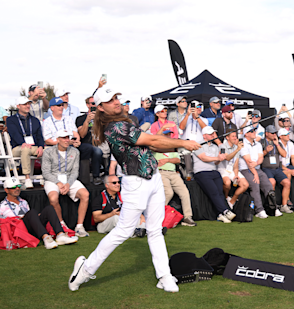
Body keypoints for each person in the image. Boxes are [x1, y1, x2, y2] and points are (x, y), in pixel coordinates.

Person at [69, 86, 201, 293]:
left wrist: (180, 146)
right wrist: (183, 142)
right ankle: (84, 270)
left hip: (154, 178)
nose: (116, 102)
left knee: (155, 230)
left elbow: (154, 147)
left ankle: (164, 276)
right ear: (101, 108)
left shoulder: (125, 123)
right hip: (136, 183)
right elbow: (153, 140)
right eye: (110, 100)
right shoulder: (115, 128)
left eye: (116, 98)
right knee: (123, 231)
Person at [1, 177, 78, 249]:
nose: (17, 189)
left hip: (31, 226)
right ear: (6, 190)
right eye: (14, 187)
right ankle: (46, 238)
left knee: (49, 208)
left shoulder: (23, 202)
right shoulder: (2, 206)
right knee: (32, 212)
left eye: (18, 186)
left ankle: (60, 235)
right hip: (20, 230)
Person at [42, 130, 90, 237]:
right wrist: (58, 183)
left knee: (85, 194)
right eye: (63, 138)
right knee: (53, 199)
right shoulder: (48, 152)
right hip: (53, 179)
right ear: (57, 139)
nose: (67, 140)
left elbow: (75, 171)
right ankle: (61, 225)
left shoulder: (75, 151)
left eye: (68, 137)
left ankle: (79, 226)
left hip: (69, 178)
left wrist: (68, 184)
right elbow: (46, 172)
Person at [192, 126, 237, 223]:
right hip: (201, 172)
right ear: (204, 136)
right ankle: (225, 211)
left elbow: (216, 162)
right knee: (214, 192)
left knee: (220, 192)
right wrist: (217, 158)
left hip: (213, 171)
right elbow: (203, 158)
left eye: (213, 133)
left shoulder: (215, 147)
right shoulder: (197, 144)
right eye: (210, 134)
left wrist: (220, 158)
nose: (213, 135)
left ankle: (220, 214)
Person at [154, 132, 196, 227]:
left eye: (169, 135)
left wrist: (167, 160)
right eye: (166, 135)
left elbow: (177, 160)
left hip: (173, 172)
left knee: (184, 192)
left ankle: (187, 217)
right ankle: (156, 216)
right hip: (161, 172)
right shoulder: (156, 147)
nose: (168, 136)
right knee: (168, 193)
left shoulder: (172, 148)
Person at [239, 125, 277, 219]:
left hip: (256, 168)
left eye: (254, 131)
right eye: (251, 131)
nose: (254, 132)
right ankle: (259, 210)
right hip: (245, 169)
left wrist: (256, 165)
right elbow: (248, 162)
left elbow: (260, 158)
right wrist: (255, 173)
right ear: (246, 134)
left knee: (268, 185)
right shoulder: (242, 143)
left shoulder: (258, 144)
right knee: (255, 184)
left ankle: (273, 208)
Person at [6, 97, 44, 188]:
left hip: (33, 147)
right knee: (25, 148)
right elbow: (14, 134)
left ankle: (46, 176)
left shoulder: (35, 120)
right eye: (25, 104)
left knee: (49, 150)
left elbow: (39, 136)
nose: (27, 106)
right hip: (17, 147)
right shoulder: (11, 120)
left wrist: (41, 146)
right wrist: (22, 142)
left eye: (28, 104)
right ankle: (27, 178)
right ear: (18, 106)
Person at [260, 126, 293, 214]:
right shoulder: (261, 142)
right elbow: (257, 157)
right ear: (266, 133)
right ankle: (273, 206)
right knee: (272, 182)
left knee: (287, 183)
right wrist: (266, 151)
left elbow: (284, 154)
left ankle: (284, 205)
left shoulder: (278, 142)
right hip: (266, 168)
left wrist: (277, 144)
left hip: (277, 168)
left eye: (275, 133)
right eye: (272, 133)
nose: (274, 134)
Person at [75, 97, 104, 186]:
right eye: (92, 103)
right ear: (88, 105)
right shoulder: (81, 118)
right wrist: (87, 121)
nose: (94, 105)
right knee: (96, 151)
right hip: (86, 144)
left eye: (96, 103)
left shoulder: (102, 118)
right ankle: (95, 176)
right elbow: (82, 134)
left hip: (101, 142)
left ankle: (108, 175)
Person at [217, 130, 249, 208]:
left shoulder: (236, 147)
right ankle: (226, 197)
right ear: (227, 137)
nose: (235, 138)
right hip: (222, 168)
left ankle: (232, 202)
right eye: (233, 136)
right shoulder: (222, 146)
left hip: (231, 169)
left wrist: (236, 174)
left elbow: (236, 164)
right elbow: (227, 158)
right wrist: (237, 149)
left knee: (245, 185)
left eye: (236, 136)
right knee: (227, 183)